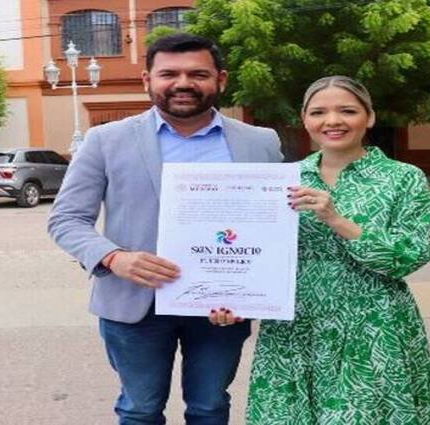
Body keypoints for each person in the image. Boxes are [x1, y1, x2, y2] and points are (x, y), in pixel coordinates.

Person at [48, 33, 283, 424]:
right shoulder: (105, 140)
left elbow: (273, 222)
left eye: (198, 74)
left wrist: (257, 289)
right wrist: (114, 257)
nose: (183, 83)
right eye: (169, 74)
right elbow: (67, 218)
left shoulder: (260, 142)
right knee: (140, 410)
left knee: (210, 408)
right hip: (135, 302)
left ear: (221, 79)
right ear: (148, 80)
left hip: (221, 305)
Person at [210, 75, 430, 424]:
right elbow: (254, 252)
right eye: (318, 112)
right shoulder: (283, 179)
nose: (333, 121)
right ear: (305, 120)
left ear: (369, 117)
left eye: (347, 111)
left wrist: (337, 219)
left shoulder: (403, 178)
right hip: (293, 328)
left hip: (372, 325)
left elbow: (410, 256)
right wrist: (236, 299)